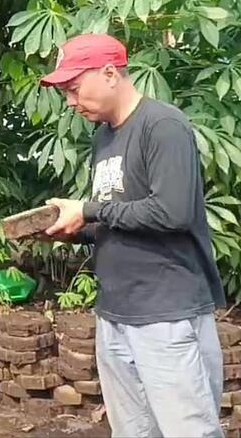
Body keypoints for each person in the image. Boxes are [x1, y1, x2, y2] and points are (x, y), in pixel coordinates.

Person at [40, 34, 226, 437]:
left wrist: (87, 209)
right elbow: (120, 216)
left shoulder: (162, 125)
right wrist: (74, 229)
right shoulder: (104, 136)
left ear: (110, 73)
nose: (70, 102)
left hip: (165, 313)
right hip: (117, 313)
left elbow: (172, 212)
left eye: (73, 89)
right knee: (134, 432)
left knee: (188, 431)